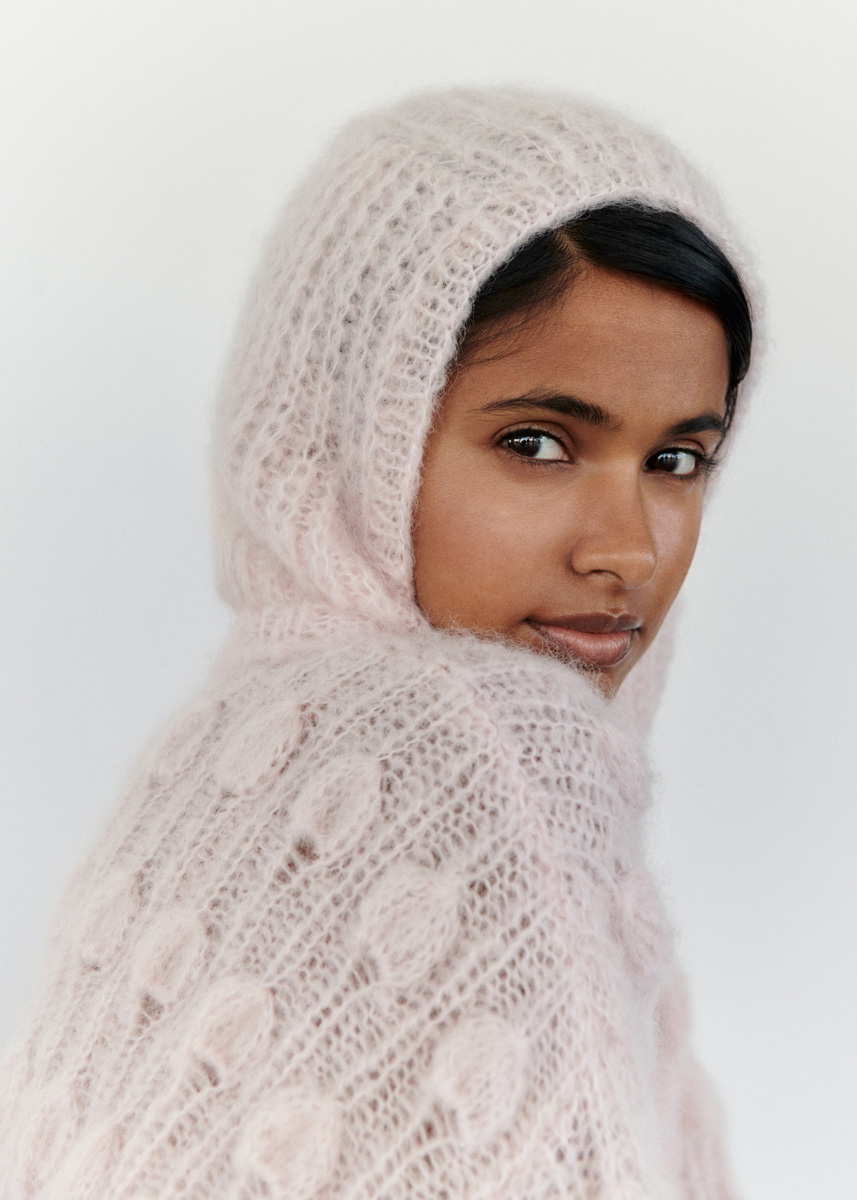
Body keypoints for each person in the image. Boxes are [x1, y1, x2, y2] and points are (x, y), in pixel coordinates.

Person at [0, 86, 757, 1198]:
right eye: (536, 443)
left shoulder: (219, 753)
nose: (628, 550)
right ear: (354, 429)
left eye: (676, 461)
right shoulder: (489, 748)